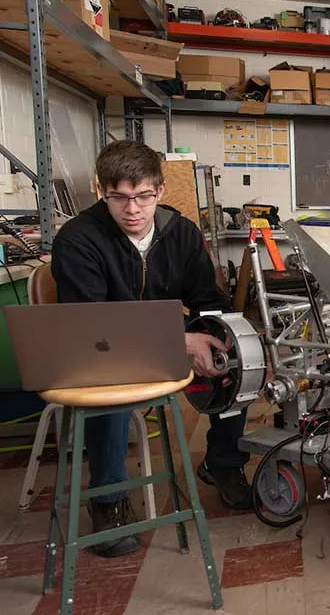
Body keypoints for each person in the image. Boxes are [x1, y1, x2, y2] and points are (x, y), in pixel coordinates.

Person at [51, 140, 252, 558]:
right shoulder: (77, 239)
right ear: (99, 190)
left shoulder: (179, 232)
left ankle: (224, 462)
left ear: (159, 190)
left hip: (163, 330)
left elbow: (206, 297)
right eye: (119, 198)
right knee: (113, 385)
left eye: (143, 196)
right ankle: (106, 499)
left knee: (237, 358)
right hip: (102, 344)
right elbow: (91, 325)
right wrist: (178, 341)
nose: (132, 209)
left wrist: (215, 335)